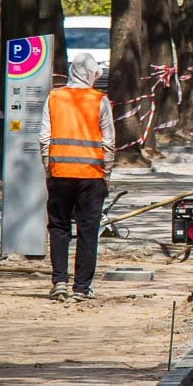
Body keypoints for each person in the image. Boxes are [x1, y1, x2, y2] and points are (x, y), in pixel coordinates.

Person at [41, 53, 114, 303]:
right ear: (90, 75)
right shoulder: (99, 100)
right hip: (91, 176)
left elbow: (45, 137)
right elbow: (109, 142)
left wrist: (48, 169)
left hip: (60, 173)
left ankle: (59, 281)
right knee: (88, 230)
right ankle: (81, 287)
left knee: (59, 227)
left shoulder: (54, 97)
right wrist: (107, 174)